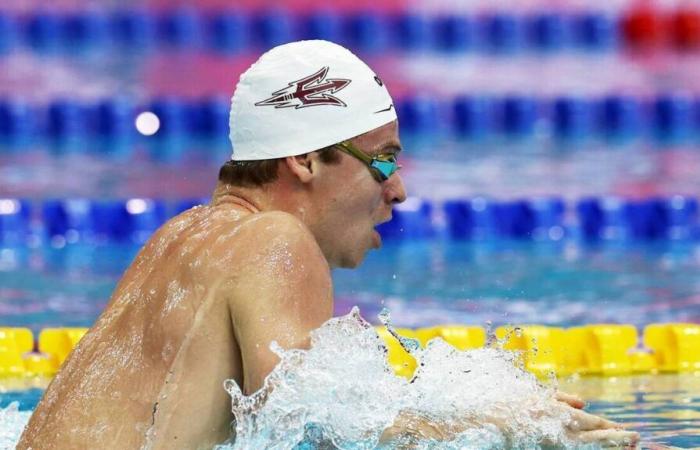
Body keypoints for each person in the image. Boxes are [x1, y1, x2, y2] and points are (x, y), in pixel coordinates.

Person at [17, 40, 638, 449]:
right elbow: (313, 428)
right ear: (307, 160)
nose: (398, 191)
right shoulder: (275, 239)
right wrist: (509, 431)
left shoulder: (181, 237)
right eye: (383, 162)